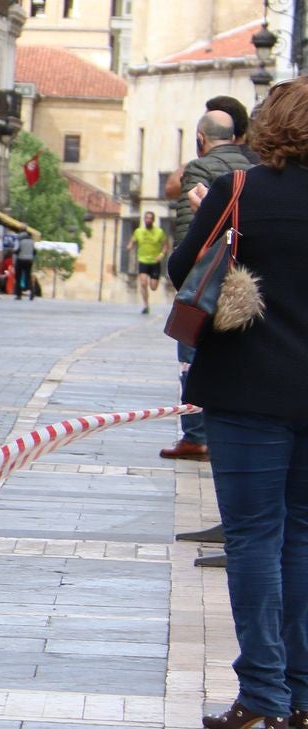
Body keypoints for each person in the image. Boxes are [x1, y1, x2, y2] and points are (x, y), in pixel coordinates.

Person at [169, 76, 308, 729]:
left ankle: (263, 694)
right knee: (302, 535)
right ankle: (300, 692)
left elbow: (182, 271)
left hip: (246, 388)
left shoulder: (239, 189)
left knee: (254, 537)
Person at [163, 109, 253, 462]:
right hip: (245, 278)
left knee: (191, 357)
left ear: (201, 139)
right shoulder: (250, 167)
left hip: (208, 277)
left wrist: (186, 279)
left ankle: (196, 434)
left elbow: (189, 230)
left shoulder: (198, 170)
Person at [125, 211, 168, 315]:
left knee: (153, 287)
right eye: (146, 218)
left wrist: (161, 255)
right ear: (144, 219)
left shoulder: (159, 232)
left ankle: (151, 286)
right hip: (143, 260)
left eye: (150, 218)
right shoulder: (138, 231)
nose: (148, 220)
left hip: (155, 262)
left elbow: (166, 245)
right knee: (143, 283)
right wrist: (130, 246)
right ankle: (145, 305)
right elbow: (133, 241)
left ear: (153, 220)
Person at [14, 229, 35, 300]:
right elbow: (34, 251)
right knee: (28, 277)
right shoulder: (32, 242)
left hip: (21, 260)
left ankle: (18, 294)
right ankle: (31, 290)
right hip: (29, 261)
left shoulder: (21, 241)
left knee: (18, 277)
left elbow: (17, 251)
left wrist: (14, 252)